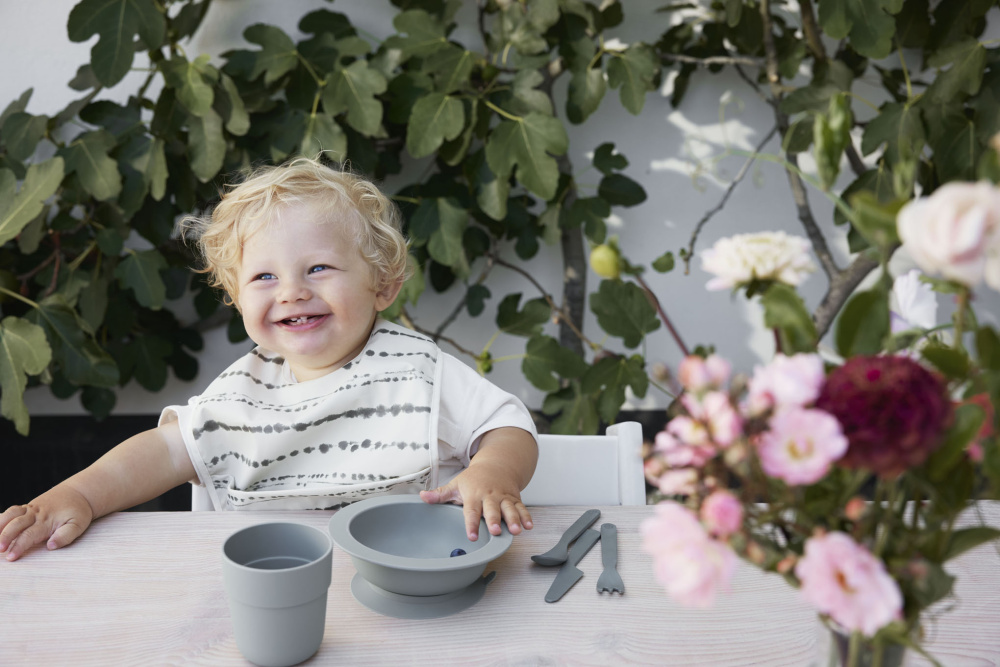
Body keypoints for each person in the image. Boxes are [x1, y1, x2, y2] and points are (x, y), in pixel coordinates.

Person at [0, 156, 538, 562]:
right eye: (263, 277)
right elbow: (164, 453)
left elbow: (507, 425)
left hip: (416, 580)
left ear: (383, 285)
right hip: (276, 585)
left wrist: (493, 472)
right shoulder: (241, 395)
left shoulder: (419, 371)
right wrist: (80, 495)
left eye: (319, 268)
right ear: (237, 300)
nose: (291, 292)